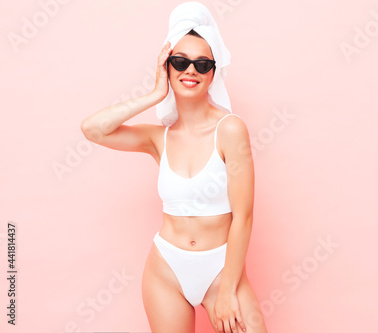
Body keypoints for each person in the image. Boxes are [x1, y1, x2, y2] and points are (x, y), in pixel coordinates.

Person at [80, 24, 268, 333]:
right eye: (180, 62)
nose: (190, 70)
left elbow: (244, 217)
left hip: (222, 270)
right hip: (166, 271)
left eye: (202, 64)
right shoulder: (158, 138)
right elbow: (93, 129)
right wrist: (155, 94)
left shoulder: (230, 130)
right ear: (167, 66)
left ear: (212, 73)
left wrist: (227, 291)